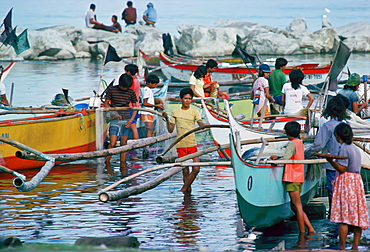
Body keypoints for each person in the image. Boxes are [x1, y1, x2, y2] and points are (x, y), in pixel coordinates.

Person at [325, 123, 369, 250]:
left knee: (343, 217)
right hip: (356, 182)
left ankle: (342, 247)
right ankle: (355, 246)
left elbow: (342, 168)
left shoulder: (344, 148)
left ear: (338, 136)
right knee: (356, 214)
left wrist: (331, 161)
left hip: (346, 182)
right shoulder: (355, 147)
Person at [304, 95, 349, 216]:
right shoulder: (345, 125)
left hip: (332, 166)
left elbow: (318, 145)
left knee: (333, 193)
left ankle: (335, 219)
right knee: (343, 194)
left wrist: (306, 154)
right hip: (346, 166)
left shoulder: (327, 126)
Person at [162, 87, 205, 193]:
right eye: (185, 98)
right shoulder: (175, 112)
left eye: (190, 99)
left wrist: (202, 125)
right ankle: (187, 194)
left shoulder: (194, 112)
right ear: (181, 99)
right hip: (181, 145)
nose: (187, 101)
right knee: (185, 171)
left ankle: (183, 190)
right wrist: (167, 119)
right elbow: (171, 130)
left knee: (196, 169)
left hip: (192, 144)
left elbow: (200, 123)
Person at [282, 121, 315, 234]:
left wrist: (276, 158)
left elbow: (285, 158)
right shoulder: (300, 142)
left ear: (287, 132)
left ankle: (302, 231)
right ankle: (310, 228)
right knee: (295, 206)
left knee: (297, 206)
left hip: (292, 177)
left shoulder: (291, 144)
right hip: (299, 176)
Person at [104, 73, 138, 165]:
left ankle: (123, 164)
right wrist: (113, 113)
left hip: (126, 120)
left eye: (127, 87)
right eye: (124, 87)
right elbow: (106, 104)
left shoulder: (131, 92)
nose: (125, 89)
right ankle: (106, 162)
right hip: (114, 120)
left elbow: (135, 107)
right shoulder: (111, 90)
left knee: (124, 143)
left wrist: (131, 120)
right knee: (112, 142)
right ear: (120, 84)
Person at [125, 64, 140, 144]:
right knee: (133, 127)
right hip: (136, 106)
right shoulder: (136, 81)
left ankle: (134, 147)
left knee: (132, 127)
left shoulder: (131, 82)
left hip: (131, 107)